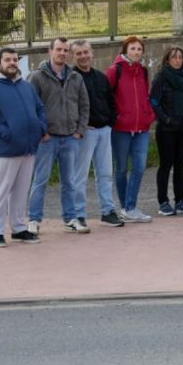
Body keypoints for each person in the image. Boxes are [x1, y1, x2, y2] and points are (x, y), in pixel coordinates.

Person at [0, 47, 45, 246]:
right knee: (0, 191)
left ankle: (19, 228)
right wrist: (6, 133)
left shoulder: (25, 86)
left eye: (15, 59)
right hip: (5, 150)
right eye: (8, 60)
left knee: (21, 191)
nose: (12, 63)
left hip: (28, 148)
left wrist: (41, 128)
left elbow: (40, 108)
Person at [27, 36, 90, 234]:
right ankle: (34, 220)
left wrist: (79, 131)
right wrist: (42, 132)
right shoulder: (37, 77)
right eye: (59, 49)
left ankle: (70, 218)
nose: (62, 53)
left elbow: (84, 105)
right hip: (47, 139)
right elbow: (31, 107)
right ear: (50, 51)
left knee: (69, 181)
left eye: (65, 50)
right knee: (40, 180)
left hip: (70, 138)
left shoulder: (75, 77)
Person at [70, 40, 122, 228]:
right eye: (79, 53)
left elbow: (111, 101)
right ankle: (79, 214)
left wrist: (110, 122)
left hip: (104, 131)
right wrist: (81, 126)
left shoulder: (101, 77)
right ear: (73, 56)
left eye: (86, 52)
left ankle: (108, 211)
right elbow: (69, 106)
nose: (83, 56)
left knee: (106, 173)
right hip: (85, 133)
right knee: (80, 175)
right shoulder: (71, 77)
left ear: (92, 53)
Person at [106, 36, 155, 222]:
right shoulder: (114, 70)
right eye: (133, 48)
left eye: (139, 49)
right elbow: (107, 96)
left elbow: (146, 95)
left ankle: (130, 206)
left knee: (140, 167)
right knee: (121, 169)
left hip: (141, 127)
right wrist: (116, 117)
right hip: (121, 128)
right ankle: (127, 207)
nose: (136, 52)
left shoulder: (142, 71)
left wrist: (148, 115)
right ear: (125, 50)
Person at [149, 45, 183, 216]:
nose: (177, 60)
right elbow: (154, 102)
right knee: (166, 165)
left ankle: (180, 200)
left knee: (180, 165)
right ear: (167, 59)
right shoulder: (161, 78)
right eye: (174, 57)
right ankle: (163, 202)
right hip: (167, 129)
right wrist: (167, 120)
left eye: (180, 57)